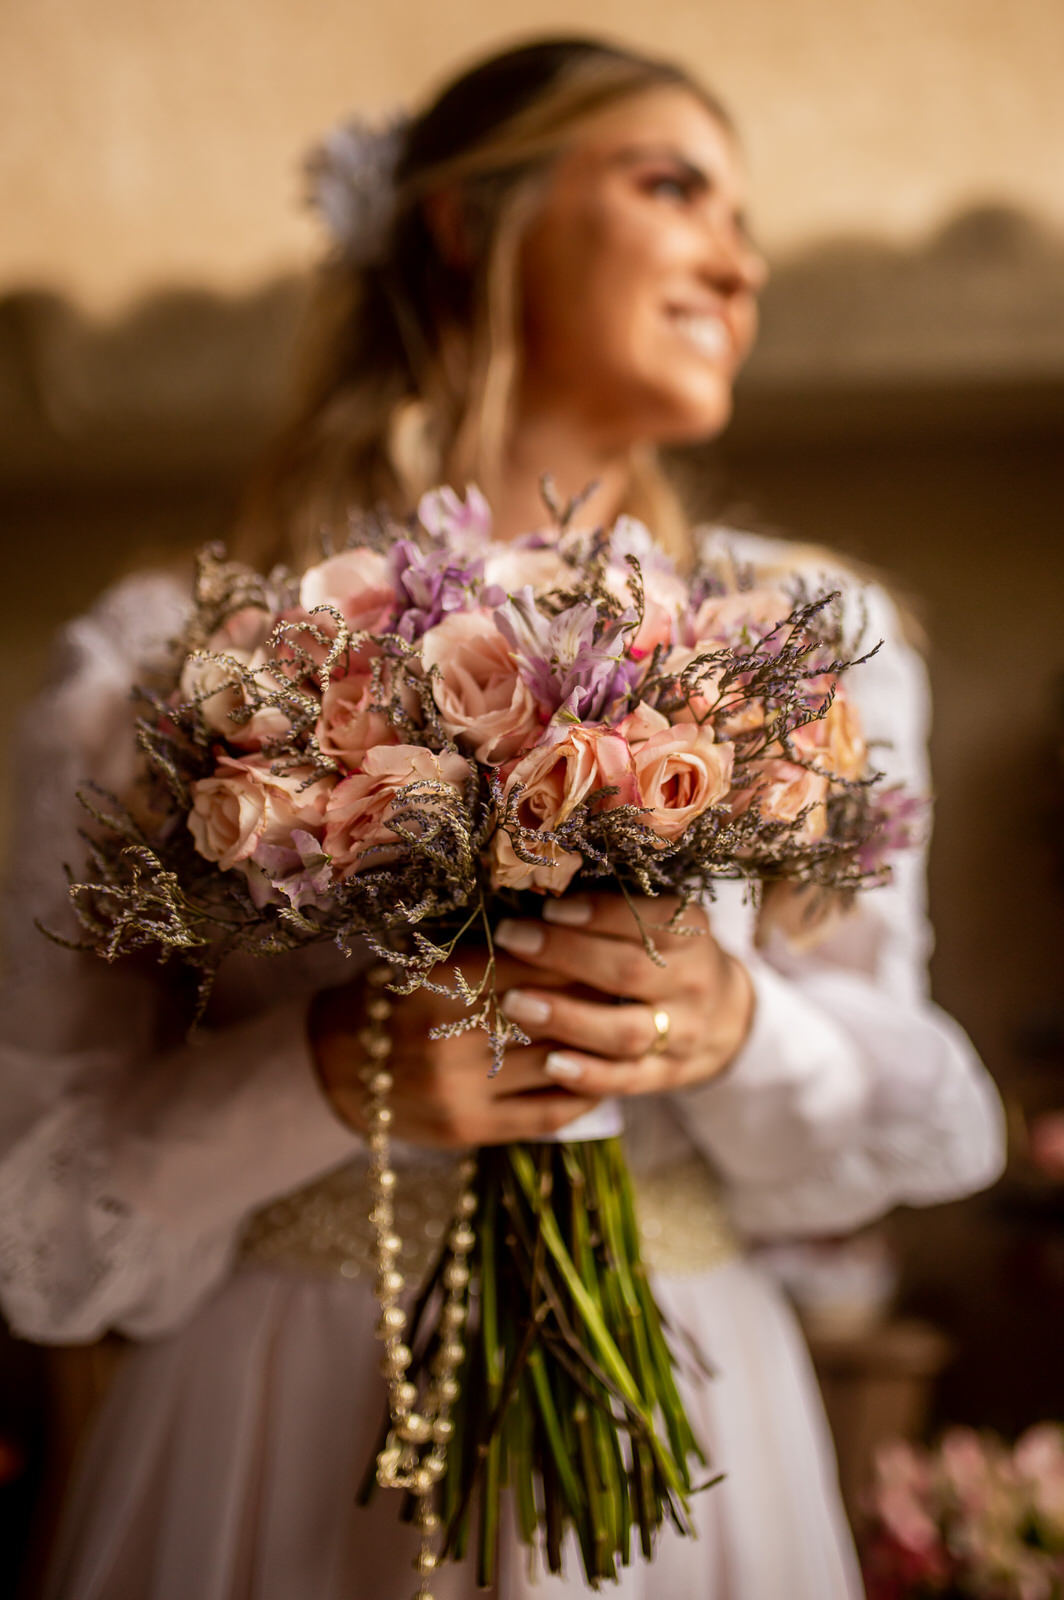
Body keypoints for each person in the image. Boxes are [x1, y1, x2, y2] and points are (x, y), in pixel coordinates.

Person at [0, 35, 1005, 1600]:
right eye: (675, 187)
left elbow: (910, 1128)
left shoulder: (801, 642)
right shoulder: (154, 661)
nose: (739, 267)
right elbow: (45, 1237)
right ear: (475, 225)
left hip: (689, 1425)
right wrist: (321, 1077)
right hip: (278, 1434)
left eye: (748, 222)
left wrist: (734, 1027)